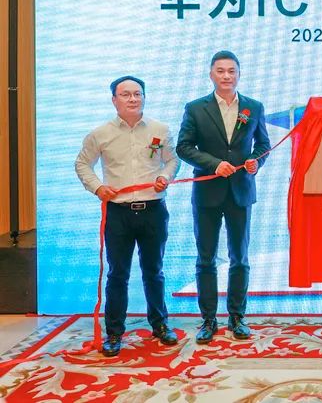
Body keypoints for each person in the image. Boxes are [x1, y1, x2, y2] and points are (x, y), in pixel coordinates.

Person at [75, 76, 179, 357]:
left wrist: (165, 176)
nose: (132, 99)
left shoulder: (160, 129)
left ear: (144, 97)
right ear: (114, 100)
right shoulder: (100, 134)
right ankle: (114, 332)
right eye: (126, 94)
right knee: (117, 274)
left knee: (154, 271)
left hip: (153, 211)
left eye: (137, 93)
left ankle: (160, 324)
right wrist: (98, 187)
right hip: (118, 213)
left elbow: (172, 160)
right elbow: (82, 164)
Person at [177, 51, 270, 344]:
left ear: (239, 74)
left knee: (239, 258)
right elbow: (184, 147)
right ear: (211, 74)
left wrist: (256, 161)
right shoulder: (196, 108)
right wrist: (214, 164)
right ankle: (208, 320)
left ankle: (237, 317)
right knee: (206, 258)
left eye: (232, 71)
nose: (226, 76)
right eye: (221, 71)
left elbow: (263, 144)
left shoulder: (254, 107)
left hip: (241, 191)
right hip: (207, 192)